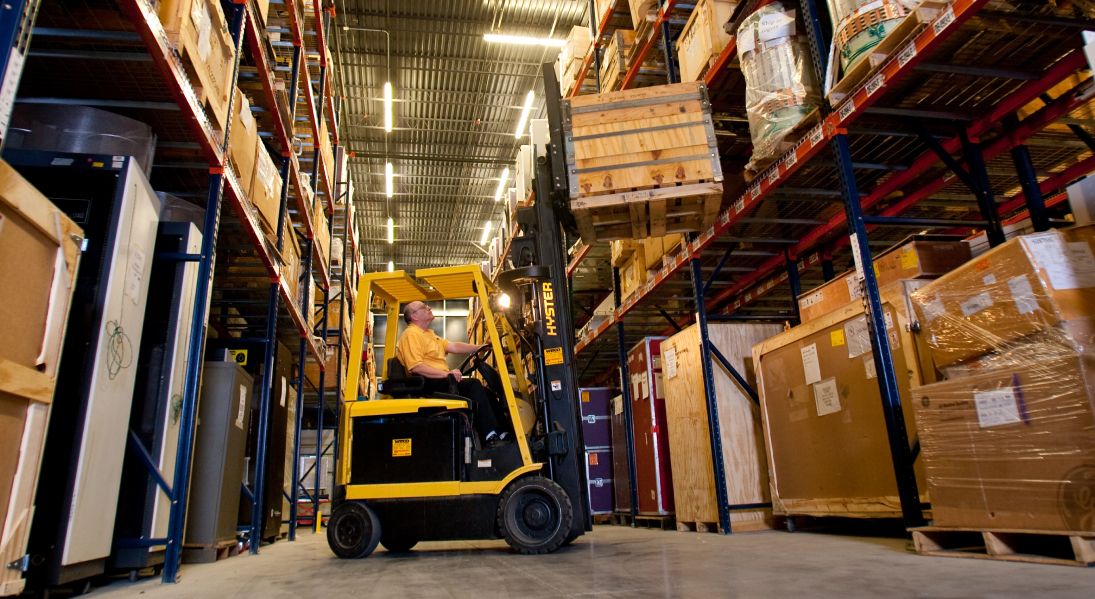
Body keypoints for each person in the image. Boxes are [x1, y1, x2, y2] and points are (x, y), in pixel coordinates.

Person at [395, 300, 508, 444]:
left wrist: (483, 347)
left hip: (439, 381)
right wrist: (446, 374)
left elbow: (453, 346)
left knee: (486, 392)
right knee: (473, 384)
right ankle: (490, 435)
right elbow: (416, 367)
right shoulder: (411, 334)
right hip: (427, 384)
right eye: (424, 307)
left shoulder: (428, 334)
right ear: (415, 316)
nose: (429, 307)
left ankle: (503, 432)